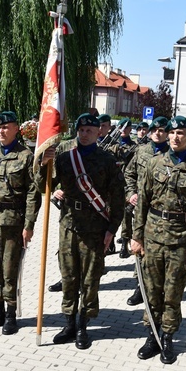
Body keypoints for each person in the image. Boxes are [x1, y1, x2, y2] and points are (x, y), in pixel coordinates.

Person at [37, 113, 124, 349]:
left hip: (95, 228)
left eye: (89, 131)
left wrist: (112, 230)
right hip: (68, 225)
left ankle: (84, 325)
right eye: (81, 130)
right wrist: (43, 164)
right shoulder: (65, 158)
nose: (84, 134)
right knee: (68, 277)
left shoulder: (107, 160)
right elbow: (43, 186)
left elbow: (118, 199)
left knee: (90, 278)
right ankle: (69, 323)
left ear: (98, 133)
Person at [130, 116, 186, 365]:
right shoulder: (154, 163)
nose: (176, 137)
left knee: (172, 292)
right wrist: (136, 237)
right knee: (152, 290)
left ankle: (167, 338)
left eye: (181, 133)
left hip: (180, 239)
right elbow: (142, 202)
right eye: (172, 132)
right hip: (152, 237)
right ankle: (152, 336)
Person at [0, 111, 40, 335]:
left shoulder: (25, 156)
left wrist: (29, 225)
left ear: (16, 129)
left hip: (13, 222)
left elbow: (34, 193)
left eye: (6, 127)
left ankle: (11, 315)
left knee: (9, 269)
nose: (1, 131)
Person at [123, 116, 170, 306]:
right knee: (138, 245)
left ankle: (158, 288)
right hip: (141, 209)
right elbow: (129, 173)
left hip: (161, 212)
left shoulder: (172, 154)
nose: (158, 133)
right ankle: (140, 287)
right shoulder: (141, 151)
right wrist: (131, 192)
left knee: (158, 252)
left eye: (162, 130)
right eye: (155, 130)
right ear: (150, 132)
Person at [108, 117, 137, 258]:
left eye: (126, 128)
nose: (123, 130)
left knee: (126, 215)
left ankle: (125, 244)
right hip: (112, 185)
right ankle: (110, 242)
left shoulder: (135, 147)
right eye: (121, 127)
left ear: (131, 130)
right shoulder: (111, 145)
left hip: (126, 186)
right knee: (108, 213)